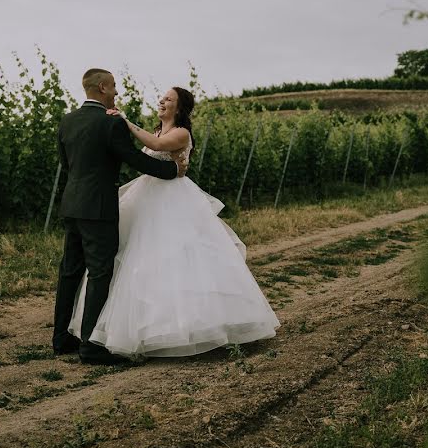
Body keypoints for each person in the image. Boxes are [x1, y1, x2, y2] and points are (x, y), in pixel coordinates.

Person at [68, 86, 279, 357]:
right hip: (147, 196)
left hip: (172, 199)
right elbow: (144, 156)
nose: (162, 101)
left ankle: (192, 326)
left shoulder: (181, 133)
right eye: (162, 98)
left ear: (179, 108)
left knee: (179, 257)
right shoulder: (156, 131)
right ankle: (137, 328)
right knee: (137, 258)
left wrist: (124, 121)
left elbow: (156, 147)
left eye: (168, 99)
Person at [53, 69, 187, 365]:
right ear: (102, 87)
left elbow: (67, 164)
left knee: (70, 270)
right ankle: (90, 346)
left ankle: (61, 337)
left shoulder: (68, 120)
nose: (116, 91)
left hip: (72, 204)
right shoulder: (109, 122)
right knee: (101, 272)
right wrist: (170, 171)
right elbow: (134, 158)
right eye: (113, 86)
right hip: (99, 207)